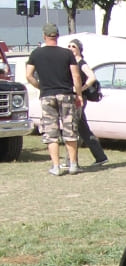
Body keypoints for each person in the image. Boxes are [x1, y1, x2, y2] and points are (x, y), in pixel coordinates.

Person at [25, 23, 84, 176]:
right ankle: (72, 164)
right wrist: (78, 95)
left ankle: (56, 166)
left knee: (51, 132)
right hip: (66, 94)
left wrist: (40, 87)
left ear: (44, 36)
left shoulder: (36, 54)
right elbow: (76, 76)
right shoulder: (67, 54)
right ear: (57, 36)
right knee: (70, 129)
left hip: (47, 95)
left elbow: (29, 75)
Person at [67, 39, 107, 167]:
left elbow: (92, 77)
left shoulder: (81, 63)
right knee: (82, 128)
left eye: (73, 46)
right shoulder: (70, 62)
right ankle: (100, 156)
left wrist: (81, 88)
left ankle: (70, 161)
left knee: (74, 127)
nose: (71, 48)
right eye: (69, 46)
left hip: (80, 98)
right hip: (73, 97)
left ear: (79, 49)